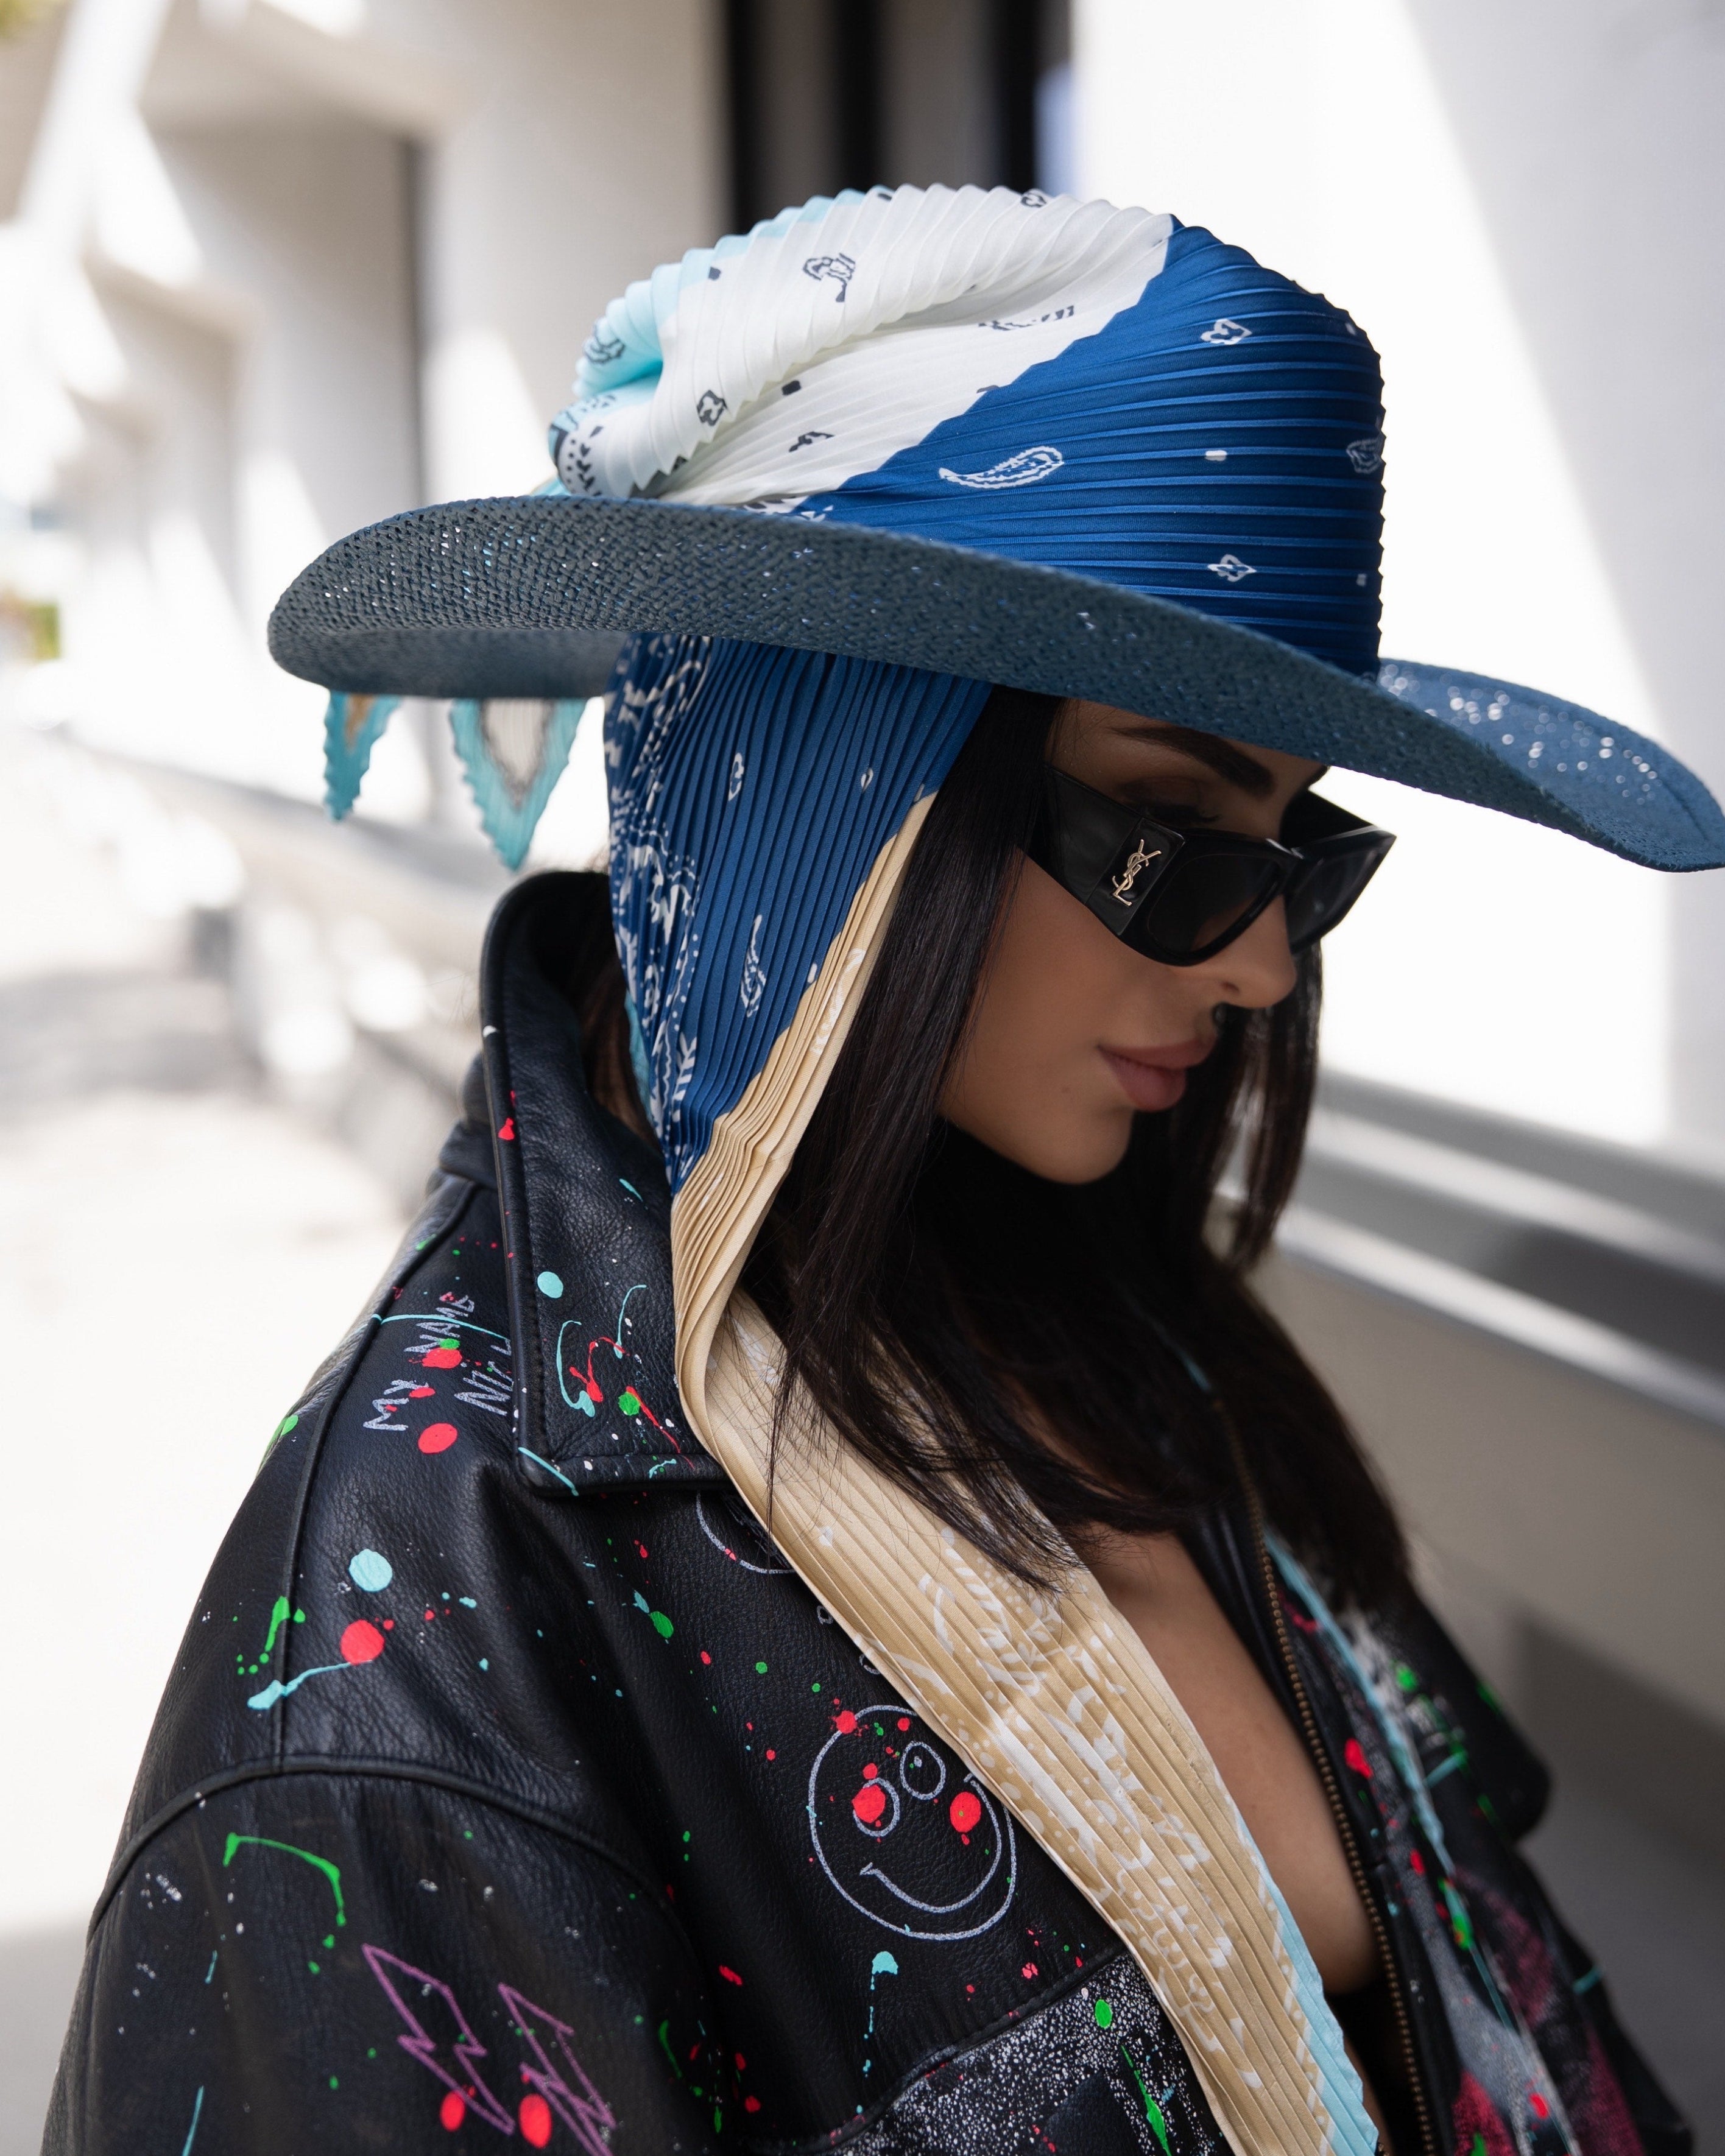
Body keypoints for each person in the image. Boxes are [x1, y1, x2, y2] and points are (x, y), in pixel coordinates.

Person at [47, 186, 1721, 2156]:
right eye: (1170, 833)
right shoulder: (419, 1640)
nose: (1263, 960)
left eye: (1301, 853)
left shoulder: (1101, 1321)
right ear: (835, 793)